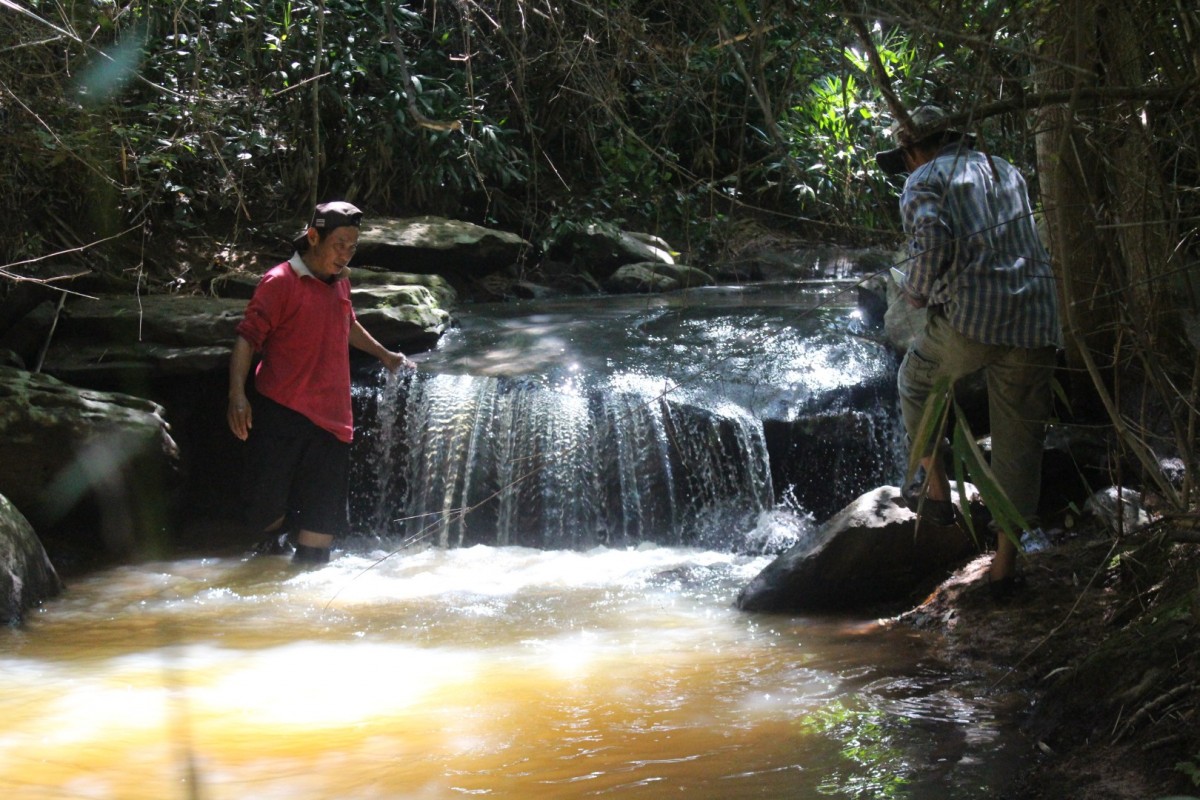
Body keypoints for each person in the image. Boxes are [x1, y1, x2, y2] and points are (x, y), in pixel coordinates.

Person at [875, 105, 1061, 597]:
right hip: (1038, 315)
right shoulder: (1006, 169)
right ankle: (1004, 572)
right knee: (1020, 441)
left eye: (907, 156)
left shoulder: (923, 180)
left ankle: (936, 496)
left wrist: (915, 290)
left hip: (973, 320)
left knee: (914, 384)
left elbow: (933, 240)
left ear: (915, 150)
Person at [227, 201, 414, 565]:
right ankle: (271, 572)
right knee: (266, 517)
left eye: (352, 246)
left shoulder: (340, 282)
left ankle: (306, 609)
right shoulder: (280, 282)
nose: (345, 254)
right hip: (282, 413)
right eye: (339, 244)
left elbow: (347, 323)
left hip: (333, 424)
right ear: (314, 237)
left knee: (317, 547)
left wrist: (385, 355)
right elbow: (247, 338)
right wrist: (237, 394)